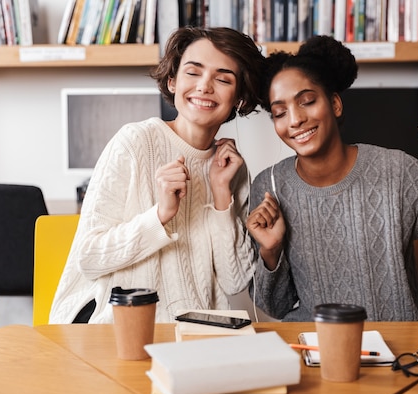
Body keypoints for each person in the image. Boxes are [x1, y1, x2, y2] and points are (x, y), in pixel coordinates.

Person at [246, 36, 418, 322]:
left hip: (401, 357)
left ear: (335, 104)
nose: (295, 119)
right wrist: (271, 250)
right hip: (318, 354)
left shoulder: (399, 173)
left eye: (308, 101)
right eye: (279, 112)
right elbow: (275, 307)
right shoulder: (269, 187)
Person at [50, 27, 265, 324]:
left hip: (197, 329)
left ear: (239, 97)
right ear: (173, 81)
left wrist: (220, 194)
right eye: (193, 72)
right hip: (121, 325)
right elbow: (88, 258)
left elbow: (235, 280)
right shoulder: (135, 142)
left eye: (223, 78)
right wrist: (160, 215)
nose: (204, 86)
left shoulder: (231, 168)